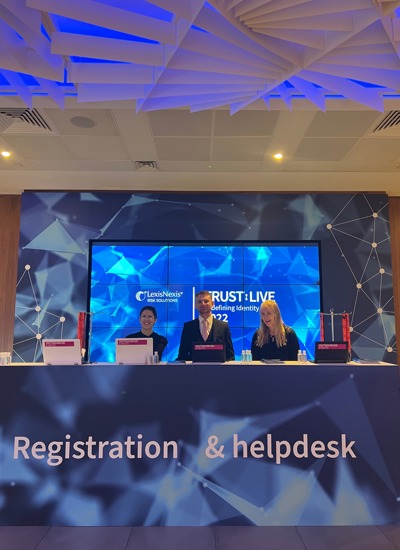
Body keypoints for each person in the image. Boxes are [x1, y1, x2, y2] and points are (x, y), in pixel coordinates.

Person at [177, 290, 235, 361]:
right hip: (194, 371)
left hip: (218, 371)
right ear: (195, 305)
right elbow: (182, 356)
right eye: (199, 302)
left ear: (212, 303)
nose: (203, 304)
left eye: (206, 301)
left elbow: (230, 356)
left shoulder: (223, 326)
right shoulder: (188, 327)